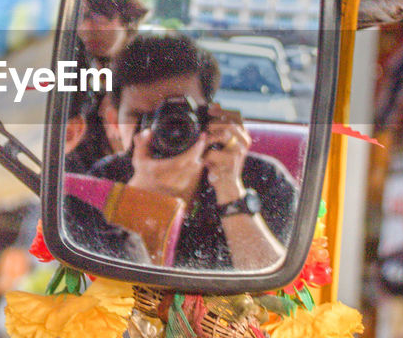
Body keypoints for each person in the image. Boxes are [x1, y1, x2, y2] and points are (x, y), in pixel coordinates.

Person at [86, 33, 297, 271]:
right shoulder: (100, 182)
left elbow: (276, 286)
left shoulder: (264, 177)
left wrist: (230, 189)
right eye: (142, 117)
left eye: (177, 115)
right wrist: (140, 196)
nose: (160, 128)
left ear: (211, 115)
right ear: (114, 122)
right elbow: (97, 287)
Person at [68, 0, 148, 171]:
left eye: (96, 16)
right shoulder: (71, 66)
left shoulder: (148, 75)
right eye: (78, 16)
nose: (85, 27)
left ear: (126, 15)